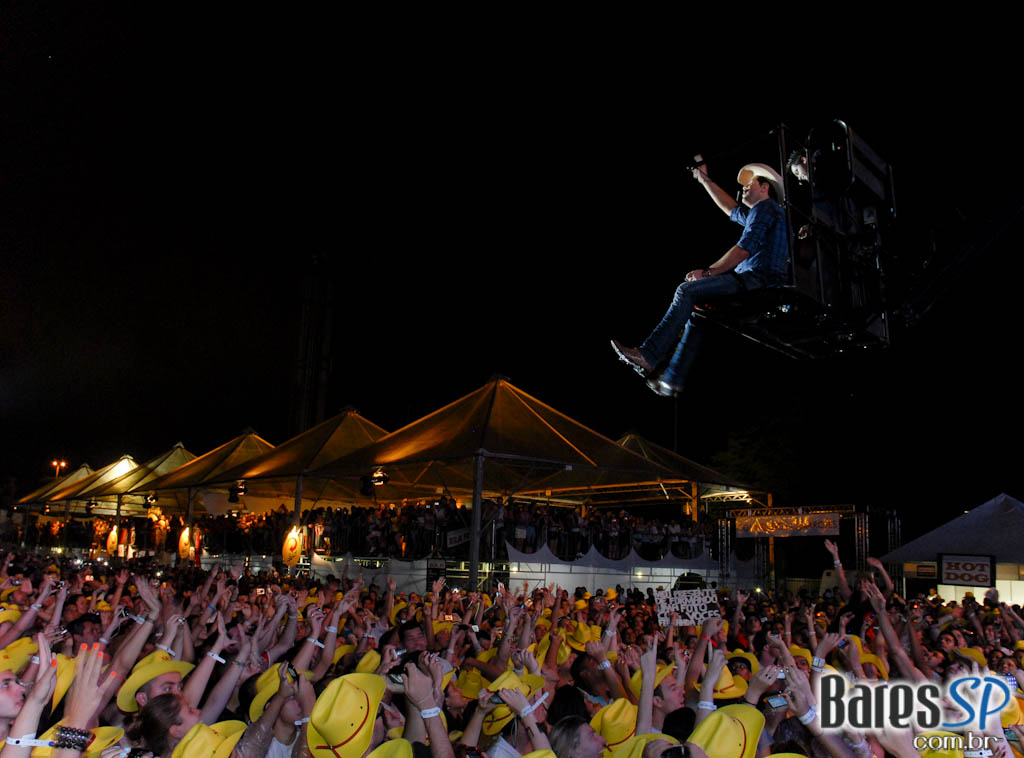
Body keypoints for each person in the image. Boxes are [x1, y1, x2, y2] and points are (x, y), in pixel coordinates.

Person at [611, 161, 790, 396]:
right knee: (698, 312)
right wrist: (705, 180)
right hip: (760, 283)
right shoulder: (766, 214)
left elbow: (744, 248)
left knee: (686, 291)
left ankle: (648, 355)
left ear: (765, 187)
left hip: (756, 282)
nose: (744, 188)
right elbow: (730, 208)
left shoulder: (765, 209)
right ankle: (671, 381)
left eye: (750, 184)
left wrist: (707, 272)